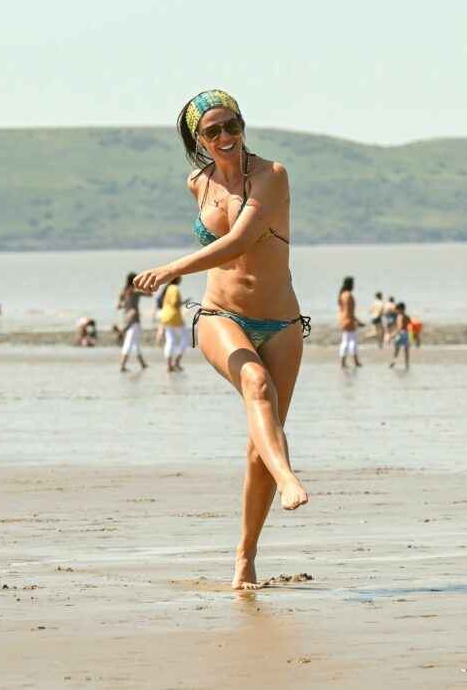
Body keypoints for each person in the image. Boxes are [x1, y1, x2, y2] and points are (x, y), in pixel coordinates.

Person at [134, 89, 310, 589]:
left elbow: (239, 240)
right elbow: (224, 253)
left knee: (260, 447)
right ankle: (289, 477)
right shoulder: (198, 183)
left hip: (281, 323)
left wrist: (172, 268)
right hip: (219, 313)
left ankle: (244, 557)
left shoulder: (273, 175)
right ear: (199, 140)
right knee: (255, 384)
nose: (226, 136)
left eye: (232, 125)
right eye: (212, 131)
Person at [117, 272, 148, 372]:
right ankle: (122, 365)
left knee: (135, 343)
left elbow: (118, 306)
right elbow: (150, 294)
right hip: (134, 320)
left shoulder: (124, 291)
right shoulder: (135, 291)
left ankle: (143, 364)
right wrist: (144, 285)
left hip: (127, 319)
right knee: (130, 343)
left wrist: (126, 305)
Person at [159, 277, 188, 372]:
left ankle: (169, 365)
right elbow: (175, 303)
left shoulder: (167, 288)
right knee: (185, 339)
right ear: (177, 279)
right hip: (175, 316)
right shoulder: (175, 288)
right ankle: (176, 361)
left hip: (165, 317)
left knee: (170, 340)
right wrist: (183, 302)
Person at [337, 276, 361, 369]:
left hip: (343, 319)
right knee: (352, 341)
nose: (354, 285)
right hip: (348, 320)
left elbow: (343, 310)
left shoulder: (342, 294)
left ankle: (344, 362)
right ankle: (354, 361)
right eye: (353, 284)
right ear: (350, 284)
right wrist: (357, 321)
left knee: (346, 341)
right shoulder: (348, 295)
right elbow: (349, 311)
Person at [388, 302, 412, 370]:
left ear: (400, 309)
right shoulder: (407, 316)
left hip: (400, 334)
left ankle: (393, 362)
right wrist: (411, 337)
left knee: (396, 349)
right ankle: (407, 364)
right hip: (406, 334)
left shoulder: (399, 316)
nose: (396, 311)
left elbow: (399, 328)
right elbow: (410, 327)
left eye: (397, 309)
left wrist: (392, 335)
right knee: (406, 350)